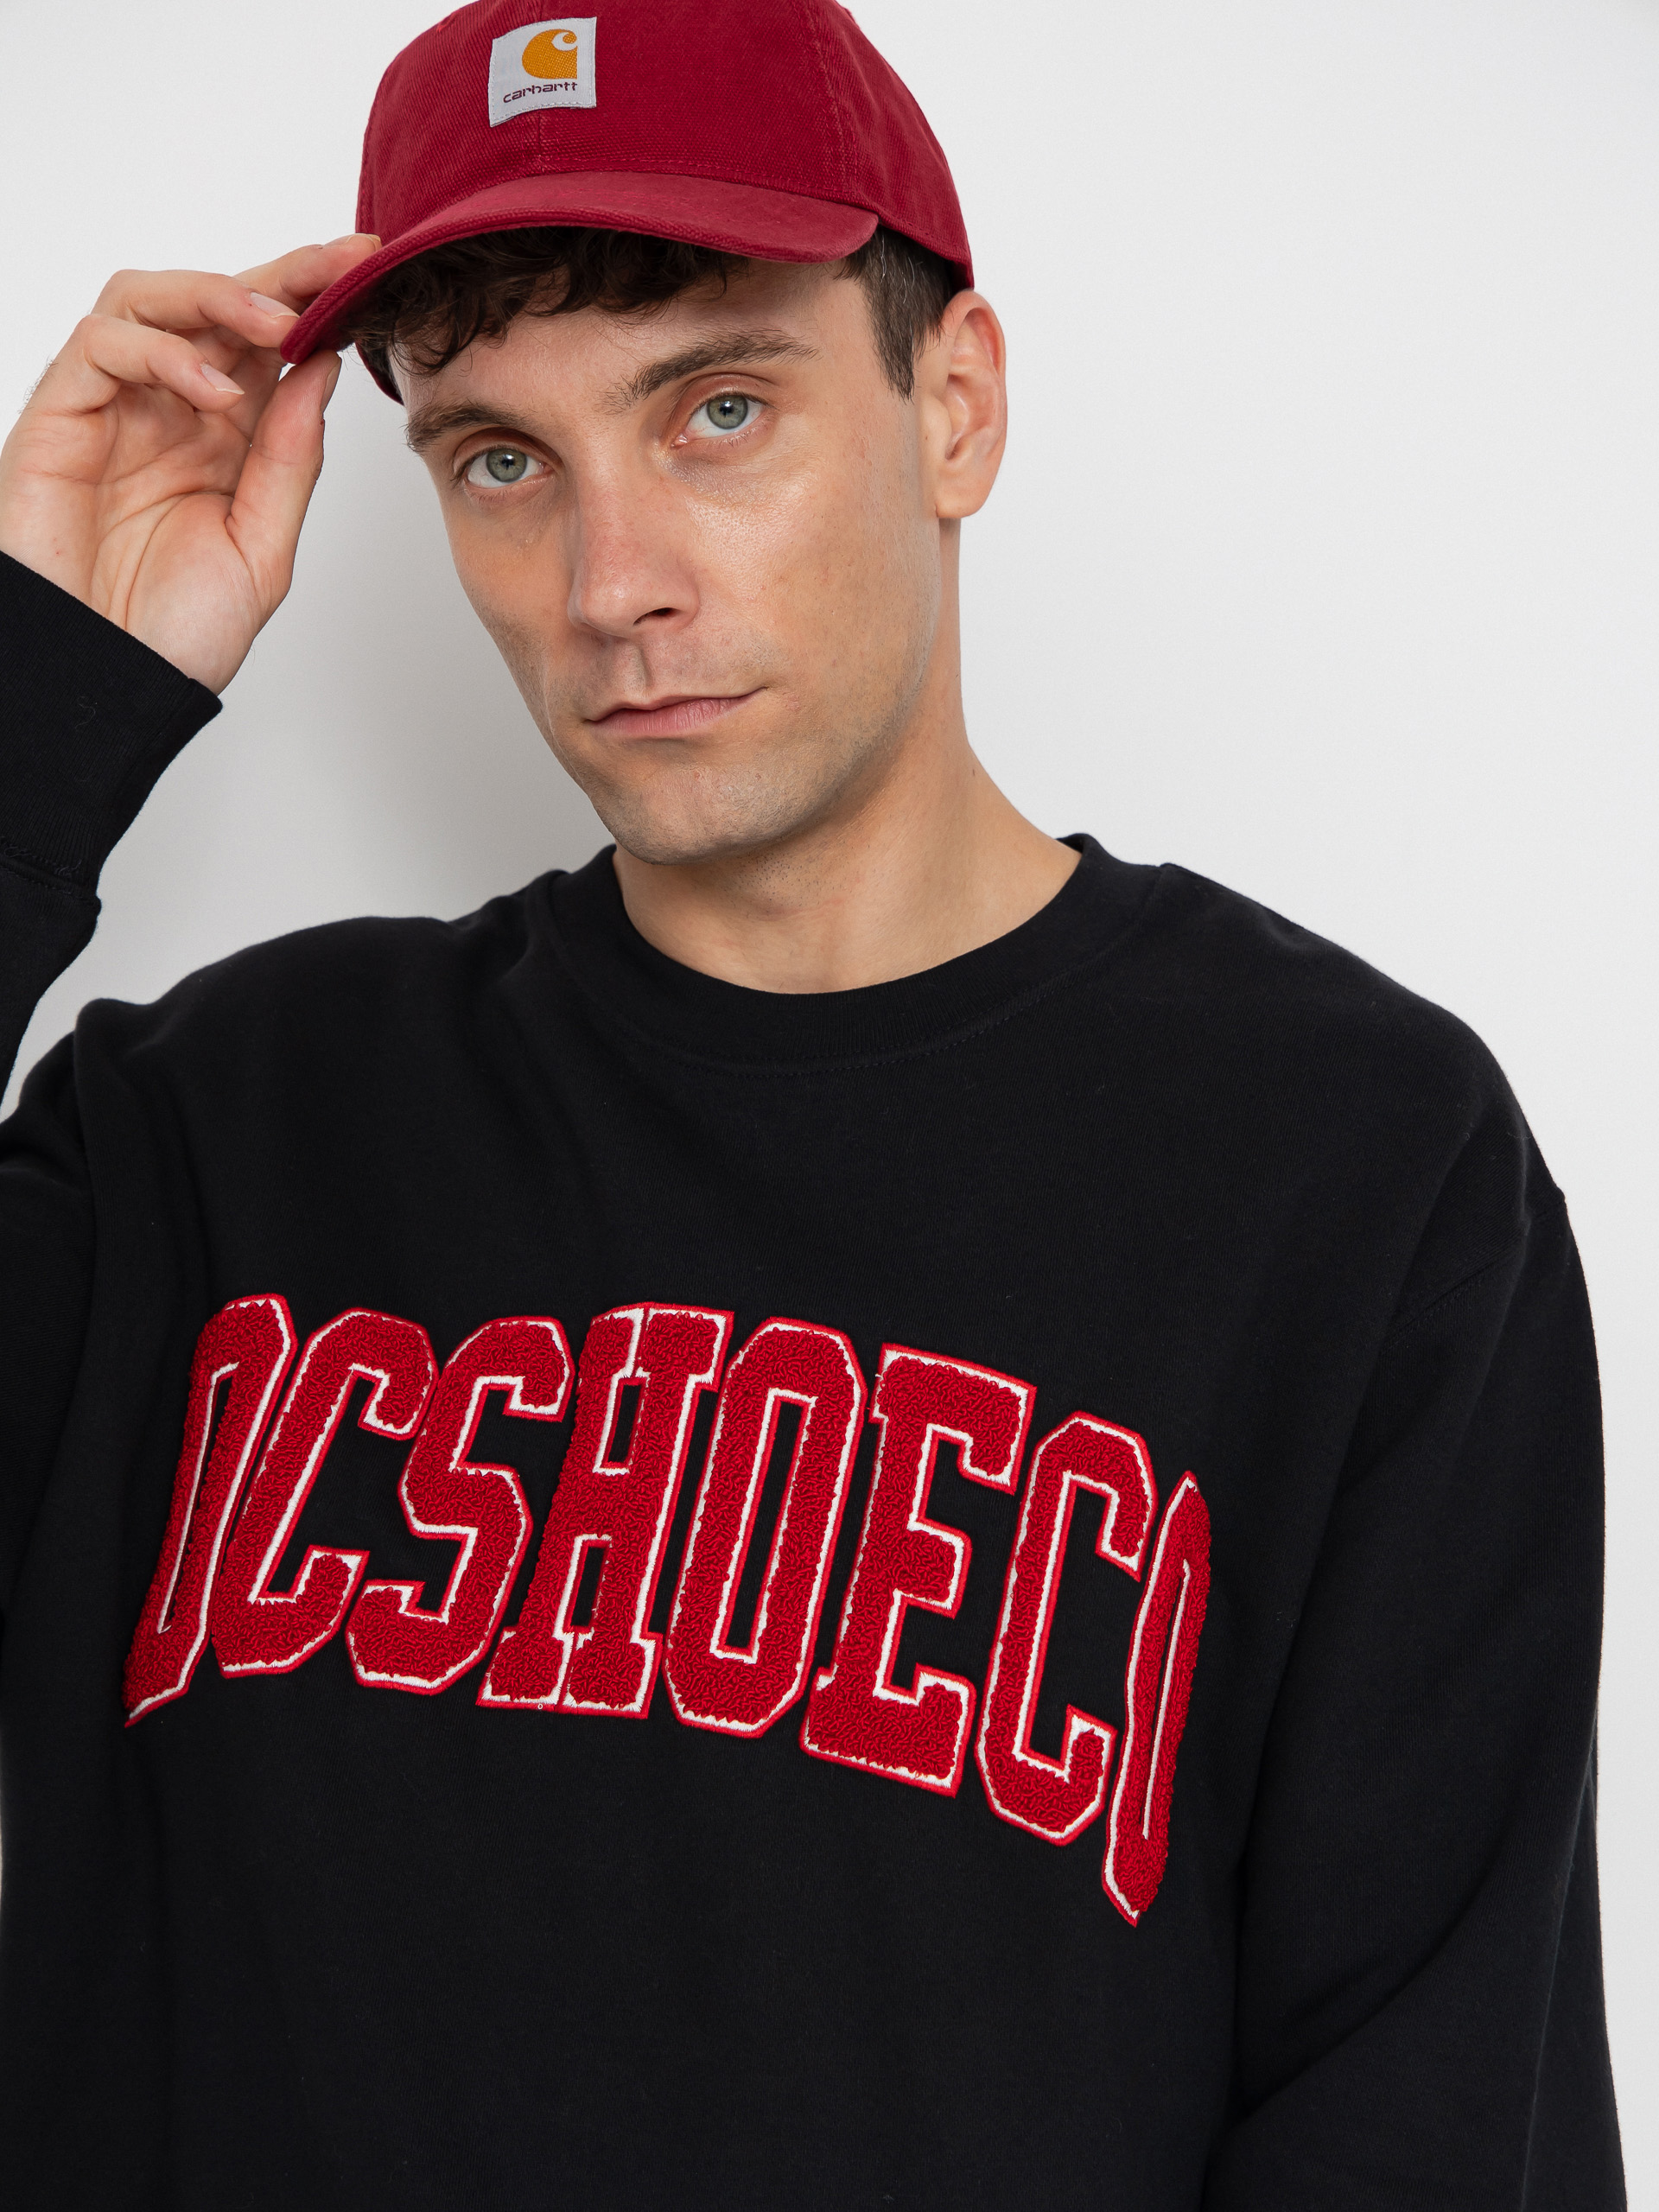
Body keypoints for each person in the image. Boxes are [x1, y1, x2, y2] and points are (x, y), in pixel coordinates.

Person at [0, 0, 1625, 2202]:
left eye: (719, 408)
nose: (611, 583)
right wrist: (33, 707)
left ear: (954, 406)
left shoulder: (1357, 1169)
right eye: (500, 459)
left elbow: (1426, 2110)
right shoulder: (203, 1132)